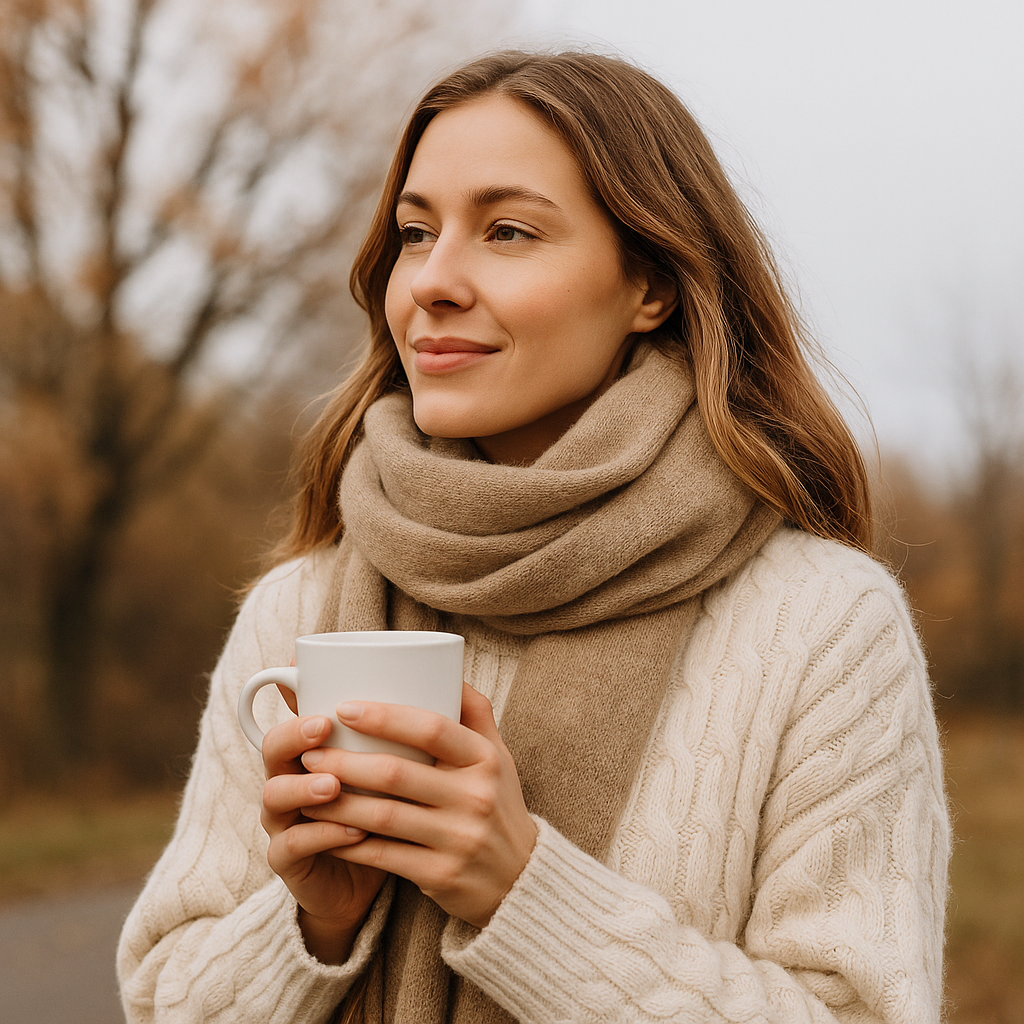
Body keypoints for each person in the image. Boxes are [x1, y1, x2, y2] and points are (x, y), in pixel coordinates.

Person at [117, 50, 949, 1024]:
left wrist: (524, 892)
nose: (431, 280)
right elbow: (165, 1001)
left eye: (507, 231)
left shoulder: (822, 627)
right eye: (415, 232)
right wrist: (314, 926)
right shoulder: (298, 608)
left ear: (650, 283)